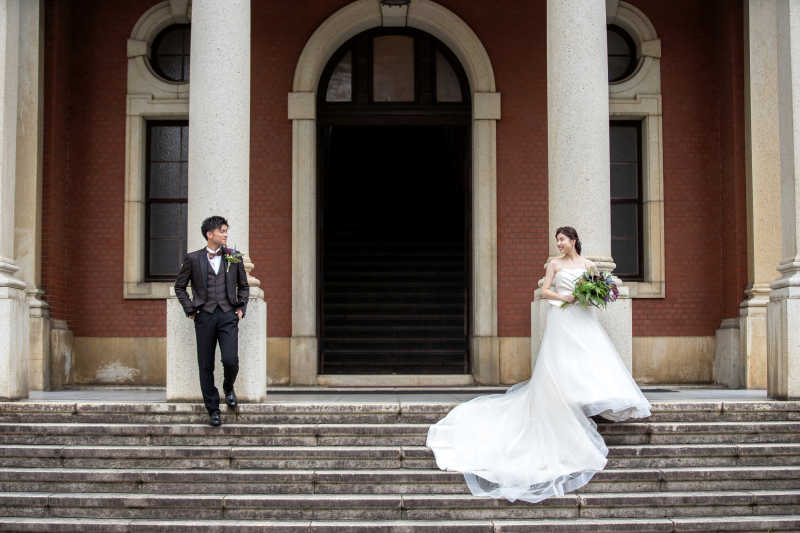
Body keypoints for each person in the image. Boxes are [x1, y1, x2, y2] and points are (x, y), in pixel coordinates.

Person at [427, 226, 651, 503]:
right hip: (562, 317)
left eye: (562, 240)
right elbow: (545, 291)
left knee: (589, 355)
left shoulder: (590, 265)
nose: (559, 244)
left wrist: (592, 294)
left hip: (583, 317)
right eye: (557, 240)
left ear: (573, 241)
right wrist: (563, 296)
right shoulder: (554, 264)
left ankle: (589, 396)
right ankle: (563, 398)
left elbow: (602, 291)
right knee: (562, 358)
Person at [174, 216, 249, 427]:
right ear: (210, 234)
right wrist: (190, 308)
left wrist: (241, 307)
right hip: (204, 316)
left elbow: (244, 286)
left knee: (230, 360)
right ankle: (213, 409)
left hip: (228, 315)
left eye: (226, 231)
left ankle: (228, 388)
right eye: (222, 231)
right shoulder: (193, 258)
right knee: (206, 365)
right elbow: (180, 287)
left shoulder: (234, 256)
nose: (225, 234)